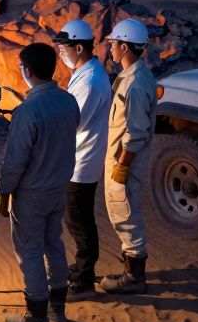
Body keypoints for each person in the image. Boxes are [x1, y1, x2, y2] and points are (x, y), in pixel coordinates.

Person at [0, 43, 79, 322]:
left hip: (31, 194)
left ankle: (36, 318)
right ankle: (58, 311)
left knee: (30, 252)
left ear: (28, 72)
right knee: (53, 245)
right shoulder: (70, 102)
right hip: (59, 188)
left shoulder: (27, 111)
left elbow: (14, 159)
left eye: (21, 68)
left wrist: (4, 192)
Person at [54, 19, 112, 301]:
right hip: (78, 159)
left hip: (82, 163)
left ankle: (84, 281)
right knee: (77, 218)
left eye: (64, 48)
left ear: (79, 47)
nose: (61, 53)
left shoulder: (90, 81)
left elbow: (73, 122)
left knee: (79, 221)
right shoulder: (86, 73)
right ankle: (81, 269)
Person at [100, 18, 158, 295]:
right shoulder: (136, 77)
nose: (110, 48)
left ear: (124, 46)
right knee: (124, 213)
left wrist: (121, 167)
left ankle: (134, 279)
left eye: (113, 44)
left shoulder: (134, 84)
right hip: (124, 160)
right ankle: (130, 272)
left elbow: (136, 133)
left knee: (126, 215)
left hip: (125, 163)